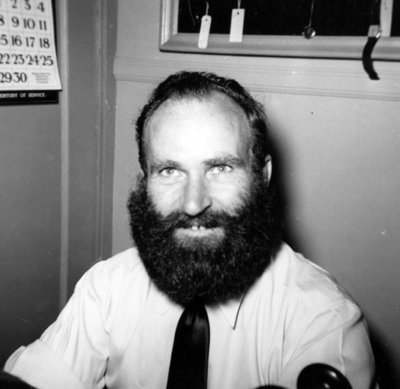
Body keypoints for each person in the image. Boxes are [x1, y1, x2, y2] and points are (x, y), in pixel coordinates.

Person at [3, 71, 376, 389]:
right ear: (145, 180)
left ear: (261, 176)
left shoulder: (323, 324)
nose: (194, 203)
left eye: (220, 168)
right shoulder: (108, 288)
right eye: (170, 171)